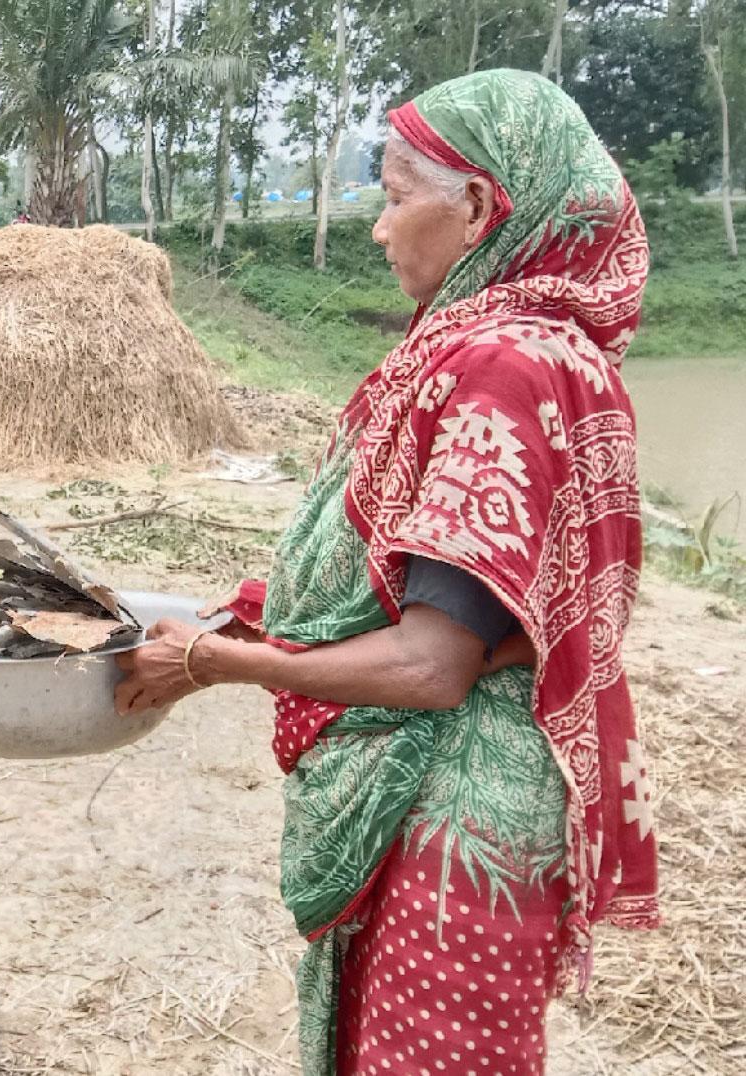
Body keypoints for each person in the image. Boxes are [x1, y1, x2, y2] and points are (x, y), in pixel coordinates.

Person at [116, 70, 658, 1074]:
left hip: (448, 818)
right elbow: (407, 581)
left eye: (397, 194)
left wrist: (218, 662)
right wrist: (246, 612)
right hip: (491, 798)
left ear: (479, 209)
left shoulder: (500, 364)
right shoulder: (566, 355)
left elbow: (428, 663)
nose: (378, 227)